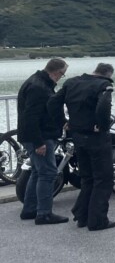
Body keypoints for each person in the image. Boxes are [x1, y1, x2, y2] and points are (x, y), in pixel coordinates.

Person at [48, 63, 115, 231]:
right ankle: (97, 221)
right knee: (103, 179)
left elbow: (52, 102)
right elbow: (103, 106)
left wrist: (63, 122)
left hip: (77, 136)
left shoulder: (71, 82)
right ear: (107, 75)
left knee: (87, 178)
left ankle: (82, 216)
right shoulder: (104, 85)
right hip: (96, 138)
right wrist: (102, 125)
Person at [16, 58, 69, 224]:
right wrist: (39, 143)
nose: (62, 77)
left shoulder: (37, 82)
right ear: (56, 72)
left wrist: (63, 123)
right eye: (63, 74)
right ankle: (44, 214)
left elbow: (46, 111)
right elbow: (30, 117)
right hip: (40, 137)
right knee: (48, 173)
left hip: (34, 136)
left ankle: (30, 209)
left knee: (38, 171)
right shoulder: (39, 88)